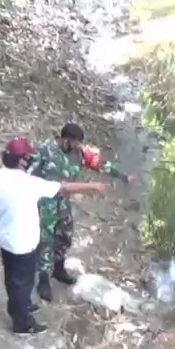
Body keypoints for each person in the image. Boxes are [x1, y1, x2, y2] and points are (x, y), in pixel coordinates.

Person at [0, 137, 106, 334]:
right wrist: (93, 187)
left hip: (5, 239)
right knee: (24, 282)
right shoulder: (29, 183)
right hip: (23, 243)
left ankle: (19, 307)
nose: (31, 159)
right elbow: (62, 189)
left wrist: (5, 210)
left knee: (12, 278)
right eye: (28, 156)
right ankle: (22, 324)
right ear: (21, 160)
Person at [29, 122, 130, 302]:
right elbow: (27, 174)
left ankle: (58, 269)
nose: (77, 147)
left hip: (63, 203)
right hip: (45, 203)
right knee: (45, 241)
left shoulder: (80, 153)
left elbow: (100, 165)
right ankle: (43, 279)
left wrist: (123, 175)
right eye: (74, 143)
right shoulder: (45, 151)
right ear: (64, 139)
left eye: (78, 144)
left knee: (64, 236)